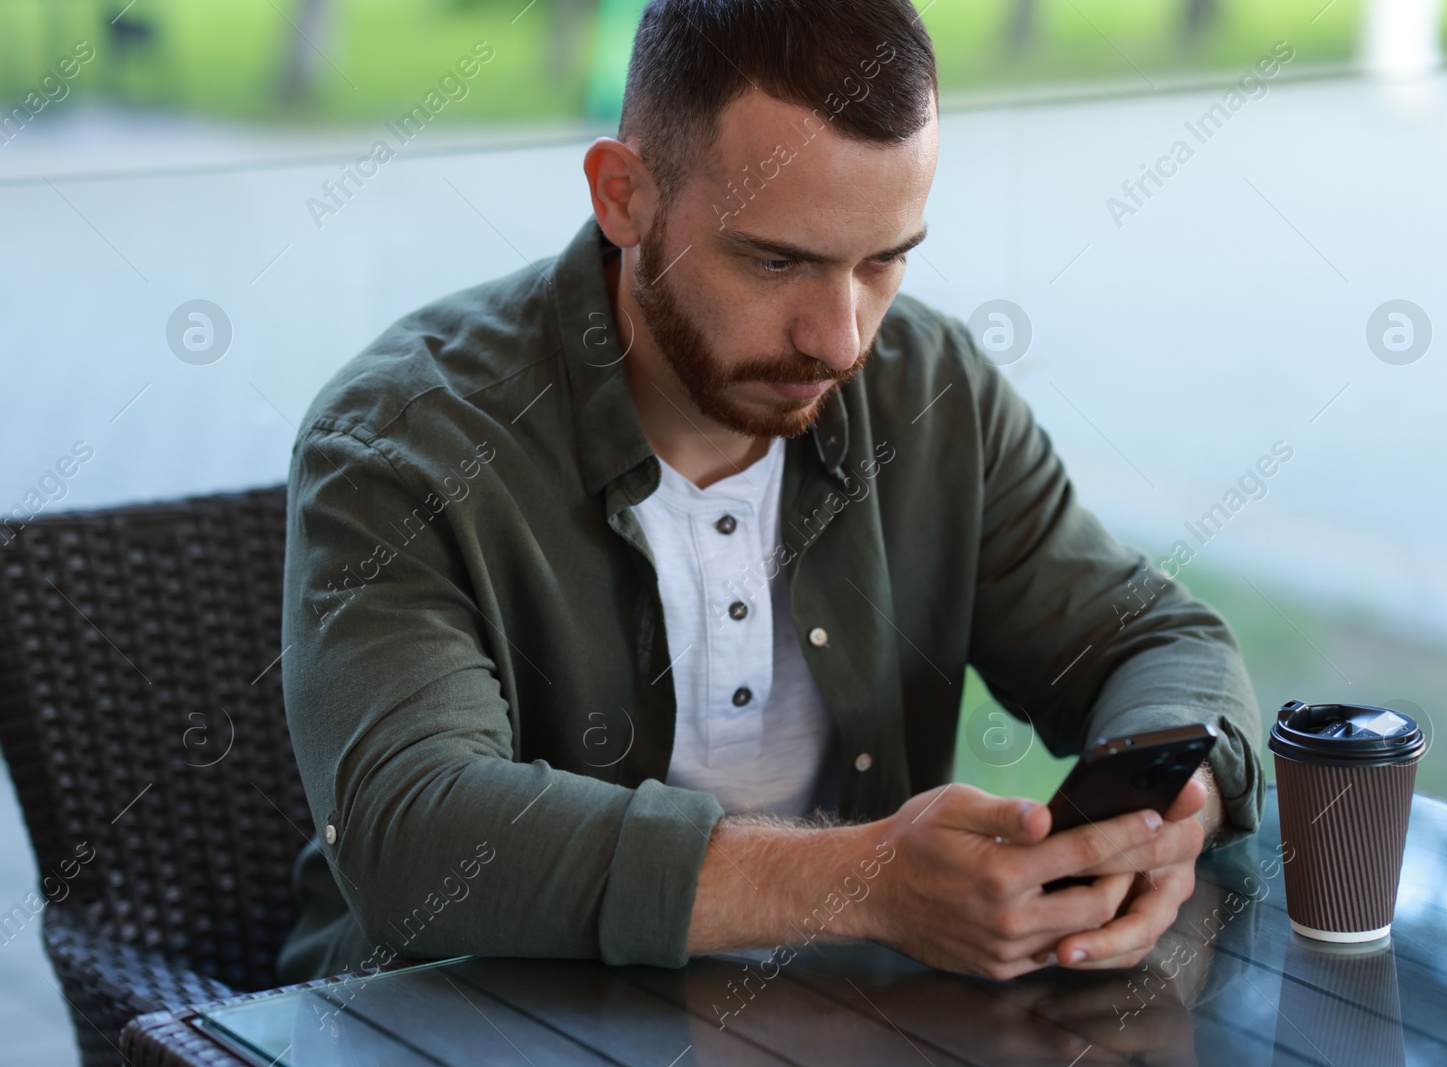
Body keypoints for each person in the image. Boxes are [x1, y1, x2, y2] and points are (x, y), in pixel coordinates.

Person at [274, 0, 1263, 987]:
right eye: (776, 259)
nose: (839, 339)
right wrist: (863, 882)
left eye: (883, 259)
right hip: (452, 1023)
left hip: (843, 1024)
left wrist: (1155, 831)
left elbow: (1157, 645)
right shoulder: (401, 440)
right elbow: (414, 834)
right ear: (621, 195)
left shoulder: (928, 391)